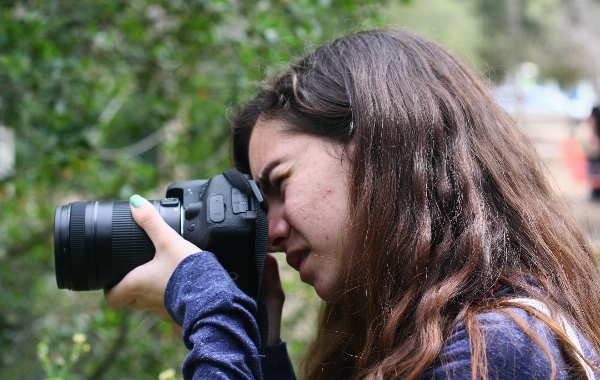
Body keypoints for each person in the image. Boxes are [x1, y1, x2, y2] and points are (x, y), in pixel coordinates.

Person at [104, 29, 600, 379]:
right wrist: (258, 349)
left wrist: (212, 313)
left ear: (385, 149)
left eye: (279, 182)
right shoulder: (441, 338)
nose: (270, 232)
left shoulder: (499, 348)